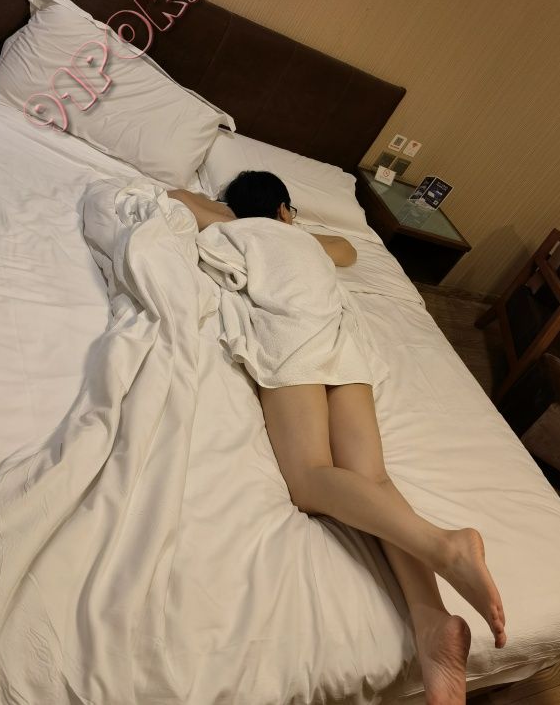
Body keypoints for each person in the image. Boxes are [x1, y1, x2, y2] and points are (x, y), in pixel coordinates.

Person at [168, 172, 506, 704]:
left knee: (310, 479)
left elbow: (177, 199)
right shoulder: (310, 241)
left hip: (293, 335)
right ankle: (431, 621)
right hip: (342, 342)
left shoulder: (237, 229)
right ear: (285, 209)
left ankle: (444, 545)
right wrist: (290, 224)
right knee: (373, 479)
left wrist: (229, 212)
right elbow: (349, 250)